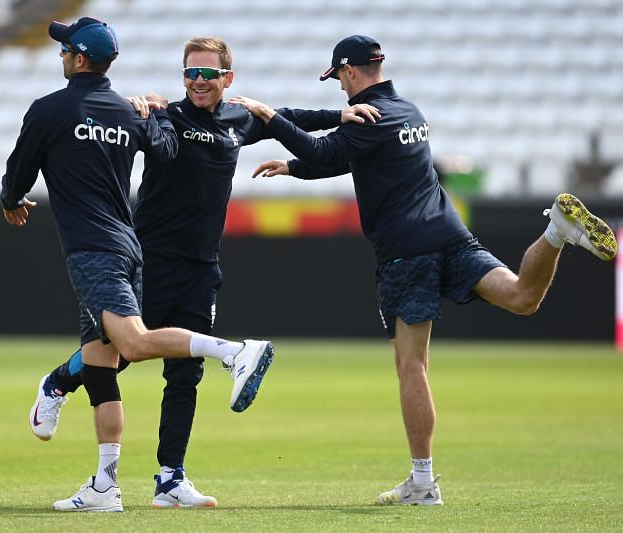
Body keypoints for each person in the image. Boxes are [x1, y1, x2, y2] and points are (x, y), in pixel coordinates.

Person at [231, 34, 618, 506]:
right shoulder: (408, 111)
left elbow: (329, 152)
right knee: (522, 297)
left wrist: (270, 118)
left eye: (338, 79)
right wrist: (292, 168)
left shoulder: (369, 116)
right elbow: (349, 158)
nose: (339, 89)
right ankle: (556, 233)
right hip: (450, 235)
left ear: (350, 71)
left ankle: (422, 482)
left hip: (406, 253)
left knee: (411, 365)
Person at [27, 36, 380, 509]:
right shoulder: (167, 116)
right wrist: (140, 106)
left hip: (201, 267)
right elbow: (111, 123)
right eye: (190, 73)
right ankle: (58, 382)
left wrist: (338, 115)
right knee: (119, 353)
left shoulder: (237, 119)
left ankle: (171, 480)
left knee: (184, 374)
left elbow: (285, 117)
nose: (197, 81)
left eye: (207, 74)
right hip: (149, 258)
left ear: (226, 79)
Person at [0, 18, 277, 513]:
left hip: (97, 250)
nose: (61, 54)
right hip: (134, 247)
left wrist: (10, 199)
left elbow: (18, 171)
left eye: (66, 49)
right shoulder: (128, 113)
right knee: (105, 360)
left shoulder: (50, 109)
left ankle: (234, 353)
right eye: (189, 71)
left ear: (79, 58)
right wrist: (155, 117)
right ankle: (104, 482)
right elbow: (167, 148)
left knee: (131, 346)